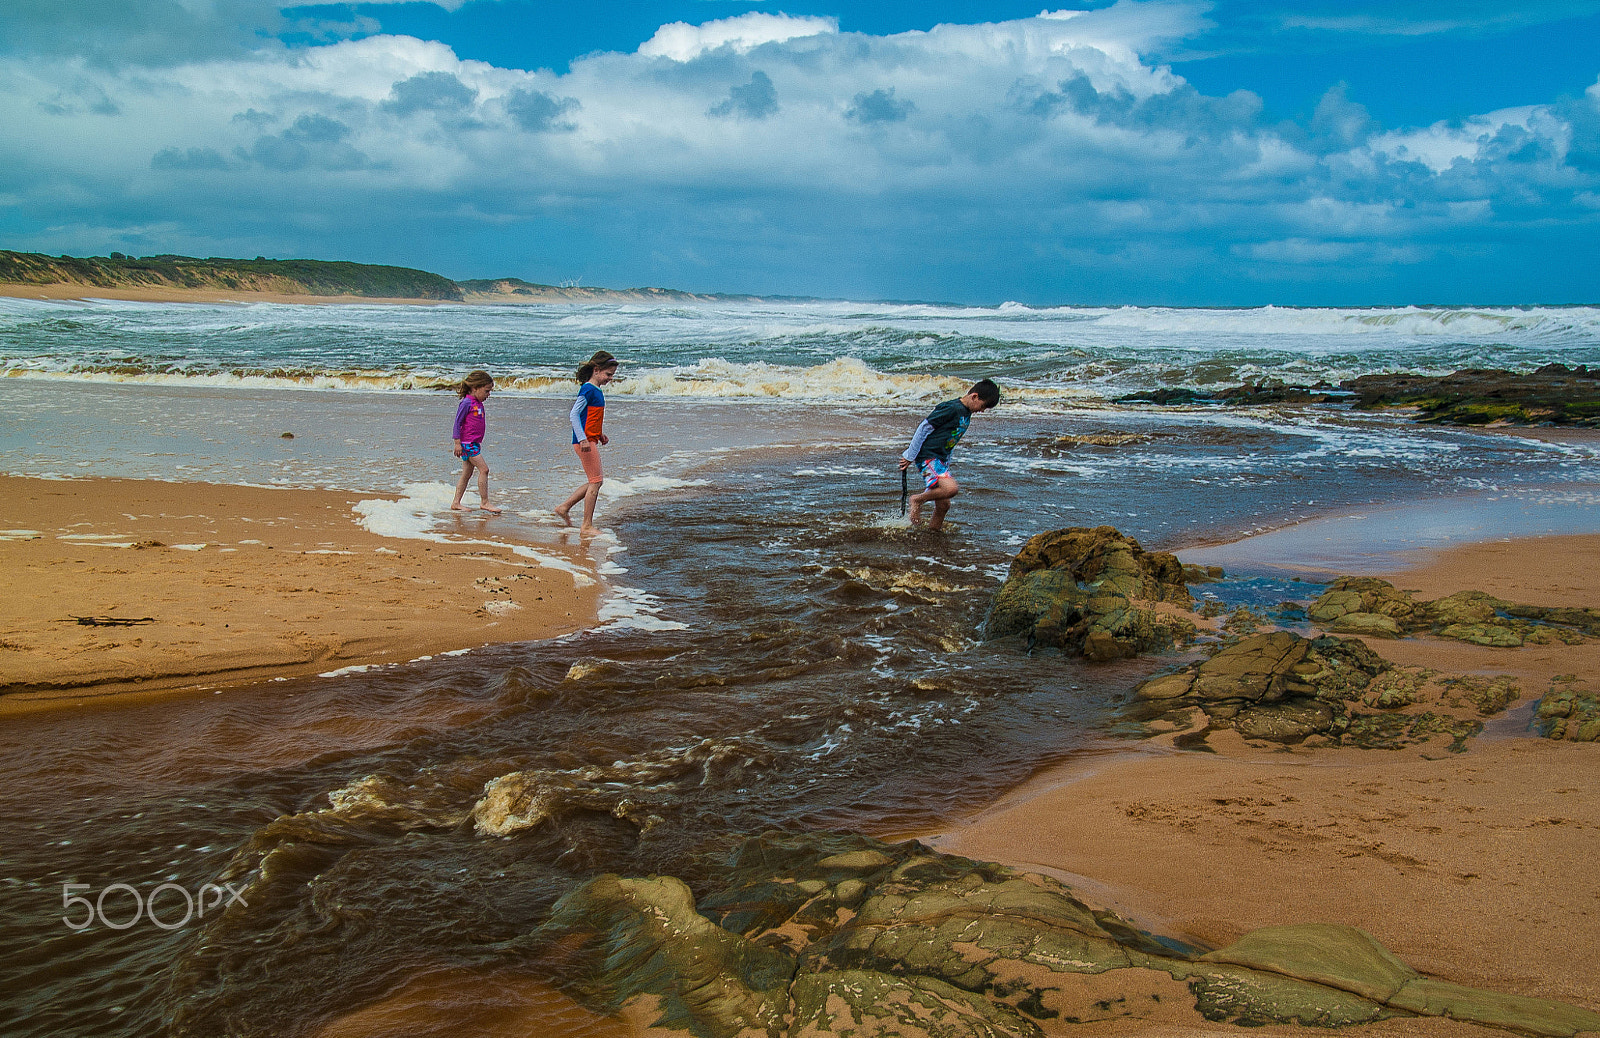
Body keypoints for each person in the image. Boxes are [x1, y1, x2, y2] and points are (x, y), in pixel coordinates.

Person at [897, 378, 1000, 530]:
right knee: (951, 489)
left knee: (944, 505)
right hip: (928, 456)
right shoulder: (952, 408)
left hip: (940, 460)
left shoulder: (966, 413)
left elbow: (950, 440)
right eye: (983, 406)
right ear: (974, 396)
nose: (982, 411)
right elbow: (924, 427)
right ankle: (917, 500)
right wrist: (910, 455)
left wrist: (946, 462)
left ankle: (932, 535)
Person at [554, 351, 619, 533]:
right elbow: (574, 414)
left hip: (590, 439)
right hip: (584, 441)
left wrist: (599, 434)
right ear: (596, 370)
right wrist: (583, 438)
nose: (610, 378)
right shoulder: (588, 389)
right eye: (608, 374)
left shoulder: (595, 390)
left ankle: (564, 508)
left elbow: (589, 418)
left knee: (594, 481)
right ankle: (586, 525)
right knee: (596, 481)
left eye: (612, 375)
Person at [450, 370, 501, 513]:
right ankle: (485, 502)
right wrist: (457, 443)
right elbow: (457, 423)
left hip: (474, 443)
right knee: (484, 469)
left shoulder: (477, 403)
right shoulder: (466, 403)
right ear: (474, 388)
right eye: (486, 391)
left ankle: (456, 502)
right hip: (467, 444)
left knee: (466, 474)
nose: (488, 395)